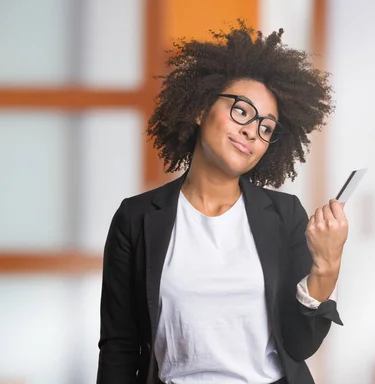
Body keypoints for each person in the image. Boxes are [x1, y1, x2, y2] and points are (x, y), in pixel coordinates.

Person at [96, 22, 347, 384]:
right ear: (201, 109)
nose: (251, 131)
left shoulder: (285, 214)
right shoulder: (135, 218)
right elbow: (119, 346)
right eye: (242, 111)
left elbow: (300, 344)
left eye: (266, 128)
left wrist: (326, 265)